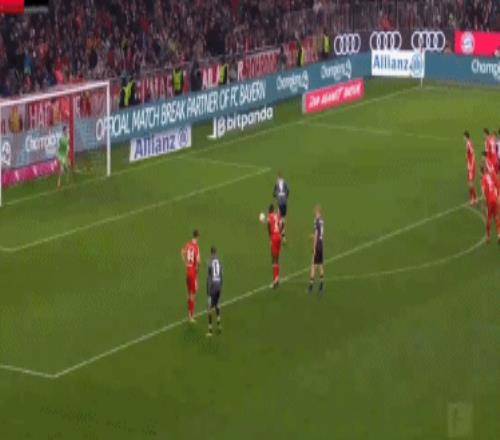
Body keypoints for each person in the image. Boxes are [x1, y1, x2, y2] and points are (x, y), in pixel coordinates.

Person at [181, 230, 201, 322]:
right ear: (197, 237)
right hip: (193, 272)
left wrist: (185, 262)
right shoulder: (196, 247)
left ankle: (189, 314)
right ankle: (191, 316)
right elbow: (198, 261)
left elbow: (182, 251)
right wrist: (197, 269)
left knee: (189, 293)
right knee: (193, 294)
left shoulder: (188, 244)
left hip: (187, 271)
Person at [480, 166, 500, 243]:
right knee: (496, 217)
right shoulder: (491, 175)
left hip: (490, 201)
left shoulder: (483, 179)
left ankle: (488, 237)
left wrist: (483, 203)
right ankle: (499, 235)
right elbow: (497, 185)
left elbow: (483, 193)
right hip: (495, 199)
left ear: (482, 172)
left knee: (488, 219)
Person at [206, 246, 222, 337]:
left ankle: (210, 330)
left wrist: (208, 291)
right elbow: (221, 274)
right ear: (216, 252)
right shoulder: (219, 261)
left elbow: (209, 278)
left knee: (209, 308)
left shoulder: (209, 261)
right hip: (219, 285)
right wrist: (220, 285)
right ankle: (219, 325)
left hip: (213, 287)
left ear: (211, 253)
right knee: (217, 304)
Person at [308, 205, 325, 294]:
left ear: (317, 212)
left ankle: (311, 287)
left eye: (315, 212)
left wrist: (313, 247)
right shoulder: (322, 221)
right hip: (321, 245)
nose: (314, 213)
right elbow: (319, 234)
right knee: (320, 265)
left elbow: (316, 234)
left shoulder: (316, 221)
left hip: (317, 245)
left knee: (313, 266)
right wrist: (313, 235)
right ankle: (321, 286)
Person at [267, 204, 283, 289]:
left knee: (273, 259)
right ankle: (277, 278)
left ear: (269, 211)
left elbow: (269, 227)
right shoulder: (277, 215)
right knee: (277, 258)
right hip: (279, 237)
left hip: (274, 237)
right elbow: (281, 224)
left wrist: (270, 238)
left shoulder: (269, 216)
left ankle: (275, 280)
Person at [273, 173, 290, 242]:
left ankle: (280, 234)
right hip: (284, 202)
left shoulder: (276, 183)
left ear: (278, 178)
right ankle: (283, 235)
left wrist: (276, 196)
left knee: (279, 218)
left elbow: (274, 193)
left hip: (280, 202)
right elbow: (288, 190)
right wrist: (286, 197)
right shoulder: (285, 182)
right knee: (283, 218)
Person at [464, 131, 477, 205]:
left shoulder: (469, 143)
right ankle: (473, 198)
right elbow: (468, 154)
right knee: (469, 183)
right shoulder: (468, 143)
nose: (463, 138)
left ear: (466, 136)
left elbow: (473, 154)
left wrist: (471, 166)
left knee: (470, 184)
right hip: (469, 166)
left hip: (471, 167)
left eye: (464, 137)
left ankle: (473, 198)